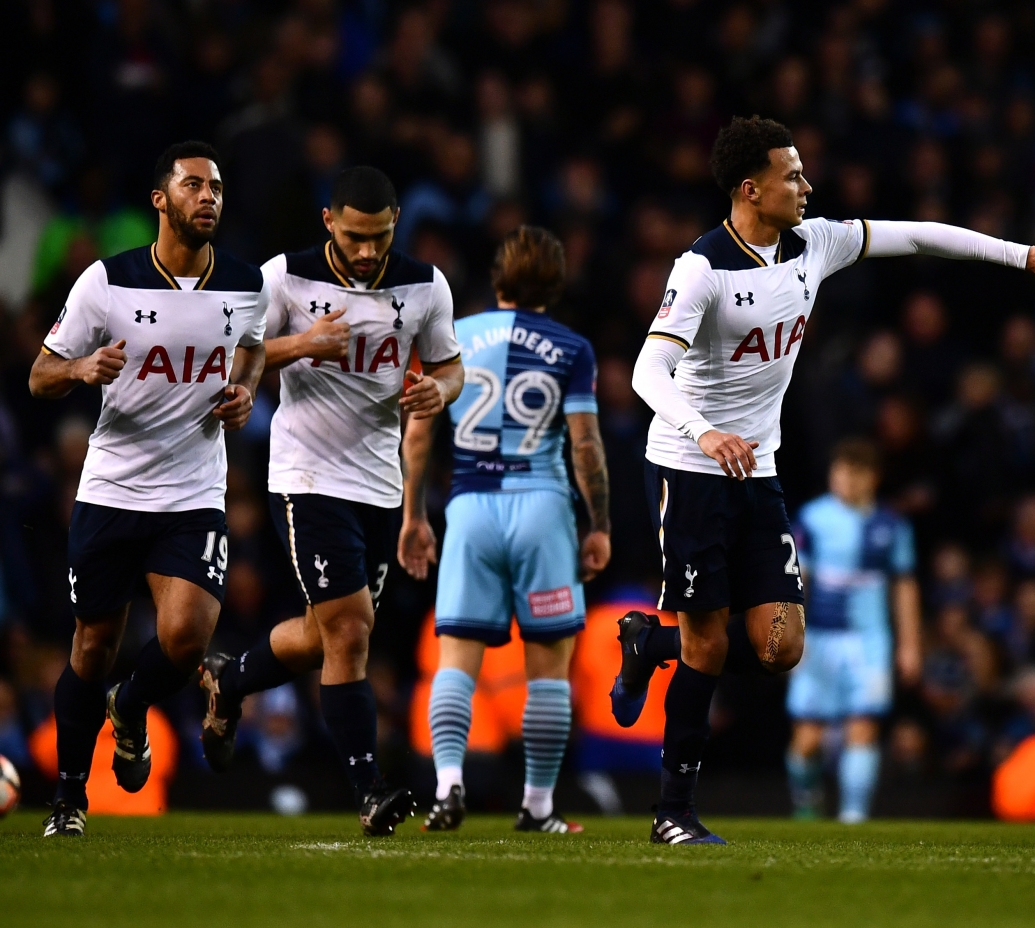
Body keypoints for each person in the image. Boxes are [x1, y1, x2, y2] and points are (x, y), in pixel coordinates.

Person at [612, 115, 1035, 845]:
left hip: (762, 469)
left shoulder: (817, 244)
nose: (806, 186)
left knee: (780, 645)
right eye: (792, 175)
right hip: (692, 470)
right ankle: (672, 811)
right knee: (709, 647)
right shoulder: (702, 268)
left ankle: (651, 644)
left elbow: (921, 233)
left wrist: (1021, 254)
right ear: (751, 189)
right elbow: (647, 370)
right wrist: (703, 431)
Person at [196, 166, 463, 836]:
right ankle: (368, 787)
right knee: (349, 632)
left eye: (378, 236)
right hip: (306, 474)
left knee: (326, 639)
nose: (368, 251)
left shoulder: (426, 287)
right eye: (354, 236)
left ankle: (231, 680)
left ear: (395, 222)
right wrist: (301, 344)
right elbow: (234, 357)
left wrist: (442, 391)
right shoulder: (284, 277)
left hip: (378, 481)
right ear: (328, 222)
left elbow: (448, 363)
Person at [29, 142, 269, 837]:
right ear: (161, 200)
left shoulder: (245, 284)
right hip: (110, 489)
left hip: (193, 492)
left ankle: (129, 707)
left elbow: (253, 343)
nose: (209, 198)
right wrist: (80, 368)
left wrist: (247, 387)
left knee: (189, 635)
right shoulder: (107, 282)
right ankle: (70, 796)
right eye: (193, 185)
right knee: (92, 645)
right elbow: (39, 375)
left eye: (216, 188)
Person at [401, 225, 609, 834]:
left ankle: (445, 788)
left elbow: (418, 433)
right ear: (557, 285)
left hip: (469, 507)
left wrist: (414, 516)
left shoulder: (455, 339)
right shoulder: (573, 347)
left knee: (456, 662)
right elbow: (586, 444)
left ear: (497, 280)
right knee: (548, 668)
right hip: (542, 508)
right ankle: (538, 806)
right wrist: (598, 524)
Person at [785, 439, 920, 824]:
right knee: (807, 739)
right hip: (819, 640)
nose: (845, 480)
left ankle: (853, 817)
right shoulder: (811, 519)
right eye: (839, 471)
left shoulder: (891, 526)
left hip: (869, 641)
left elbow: (905, 586)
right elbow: (798, 581)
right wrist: (792, 636)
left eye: (854, 473)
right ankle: (806, 801)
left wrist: (909, 645)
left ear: (872, 478)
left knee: (863, 726)